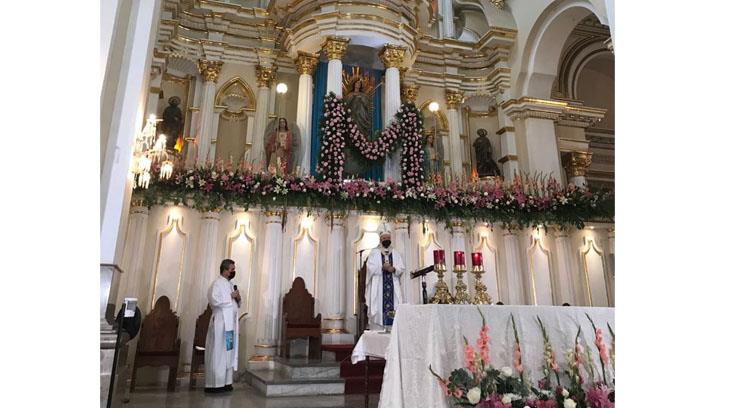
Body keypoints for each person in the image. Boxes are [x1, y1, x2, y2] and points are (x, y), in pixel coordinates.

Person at [204, 259, 241, 393]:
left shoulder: (230, 284)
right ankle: (215, 383)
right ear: (225, 269)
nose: (233, 271)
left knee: (228, 351)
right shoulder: (216, 284)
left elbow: (235, 303)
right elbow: (214, 300)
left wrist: (237, 298)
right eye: (232, 269)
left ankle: (226, 382)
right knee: (218, 351)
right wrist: (230, 296)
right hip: (221, 322)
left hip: (230, 324)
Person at [365, 231, 405, 330]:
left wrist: (394, 269)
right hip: (379, 285)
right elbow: (370, 267)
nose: (386, 240)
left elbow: (401, 267)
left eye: (388, 238)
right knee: (378, 307)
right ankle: (378, 329)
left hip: (393, 284)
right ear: (380, 240)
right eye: (384, 238)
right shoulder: (374, 252)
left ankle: (392, 329)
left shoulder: (395, 253)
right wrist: (382, 267)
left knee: (395, 305)